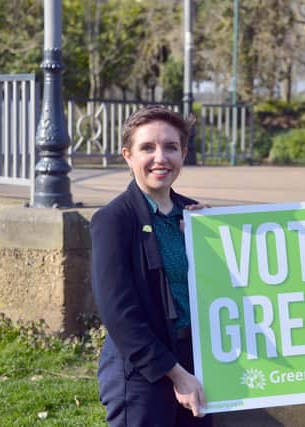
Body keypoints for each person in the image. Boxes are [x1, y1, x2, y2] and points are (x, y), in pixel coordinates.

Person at [90, 106, 212, 426]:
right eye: (147, 148)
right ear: (127, 155)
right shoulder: (113, 220)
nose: (161, 157)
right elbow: (119, 314)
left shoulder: (196, 216)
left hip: (197, 364)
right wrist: (176, 374)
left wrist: (214, 240)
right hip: (143, 374)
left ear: (183, 153)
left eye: (170, 147)